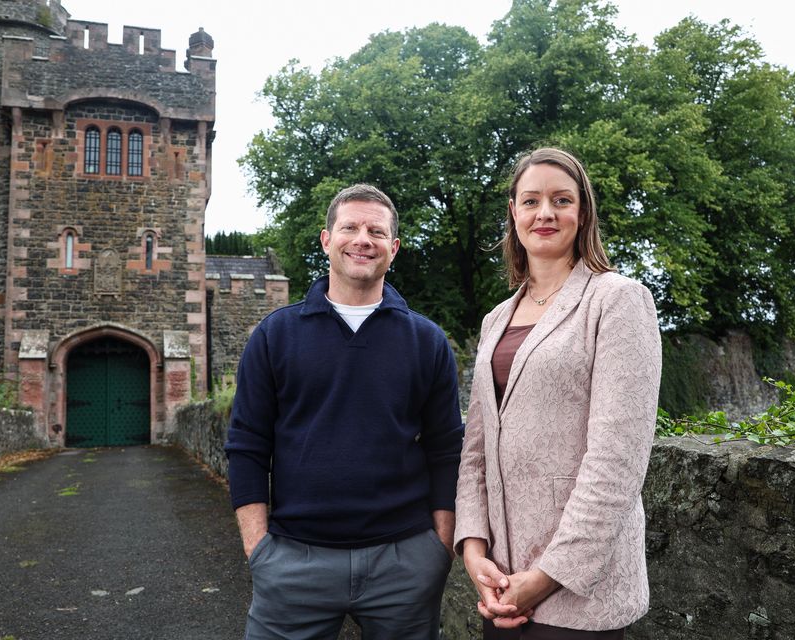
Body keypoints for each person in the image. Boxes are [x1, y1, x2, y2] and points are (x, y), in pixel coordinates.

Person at [225, 183, 464, 640]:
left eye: (376, 231)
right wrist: (258, 549)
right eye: (350, 227)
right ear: (326, 239)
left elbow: (447, 450)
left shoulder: (426, 340)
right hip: (294, 560)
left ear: (392, 248)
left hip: (405, 561)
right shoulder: (275, 335)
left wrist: (439, 546)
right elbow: (247, 445)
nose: (362, 239)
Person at [454, 147, 662, 639]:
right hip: (501, 584)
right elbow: (476, 450)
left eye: (561, 200)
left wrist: (547, 577)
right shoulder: (495, 319)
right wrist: (472, 547)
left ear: (582, 212)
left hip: (579, 595)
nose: (544, 213)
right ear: (514, 212)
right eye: (531, 201)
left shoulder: (617, 300)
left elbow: (617, 460)